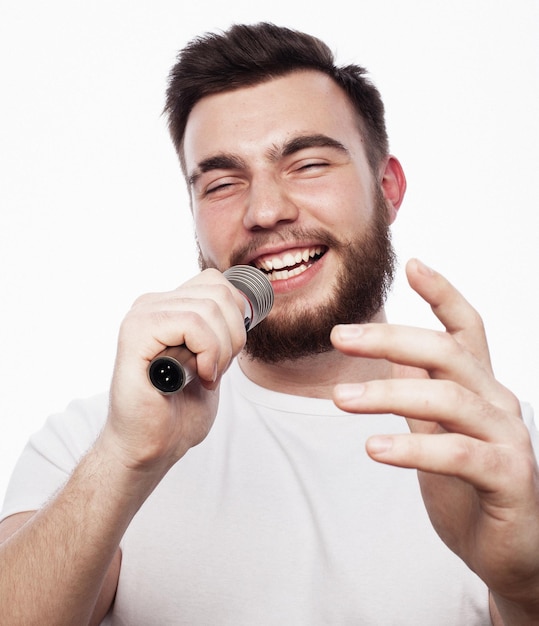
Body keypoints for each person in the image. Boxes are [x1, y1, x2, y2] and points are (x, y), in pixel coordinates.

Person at [0, 21, 538, 626]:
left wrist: (525, 589)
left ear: (387, 189)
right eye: (223, 183)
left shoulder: (509, 448)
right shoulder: (92, 444)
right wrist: (126, 458)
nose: (265, 211)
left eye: (307, 164)